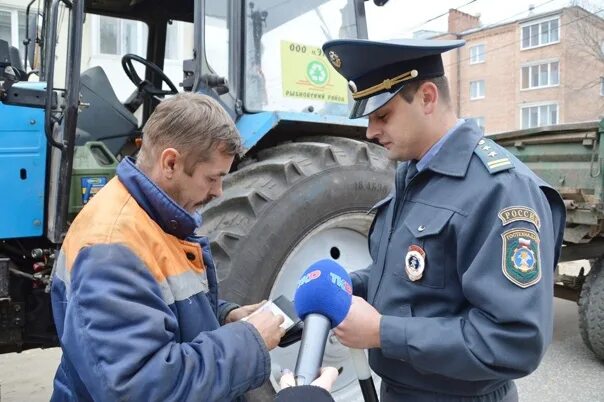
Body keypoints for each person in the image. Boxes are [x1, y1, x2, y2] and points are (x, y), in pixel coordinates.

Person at [322, 38, 566, 401]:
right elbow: (416, 276)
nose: (370, 132)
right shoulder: (413, 173)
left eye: (382, 115)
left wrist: (382, 333)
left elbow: (514, 341)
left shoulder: (500, 190)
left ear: (427, 98)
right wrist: (348, 282)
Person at [50, 92, 285, 401]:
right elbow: (143, 388)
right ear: (171, 162)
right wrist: (248, 342)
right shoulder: (110, 252)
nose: (218, 192)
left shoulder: (151, 218)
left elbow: (158, 305)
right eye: (212, 178)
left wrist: (225, 317)